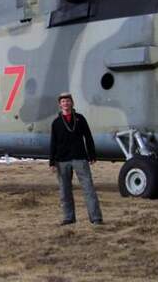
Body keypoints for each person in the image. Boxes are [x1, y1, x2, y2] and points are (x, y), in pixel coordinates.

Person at [49, 92, 103, 226]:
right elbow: (53, 143)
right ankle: (68, 217)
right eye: (63, 101)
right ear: (59, 104)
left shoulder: (80, 119)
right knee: (64, 191)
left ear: (72, 103)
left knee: (88, 188)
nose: (65, 103)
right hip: (62, 160)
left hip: (80, 157)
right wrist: (51, 161)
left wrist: (92, 154)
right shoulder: (56, 123)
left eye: (68, 101)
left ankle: (96, 218)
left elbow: (88, 137)